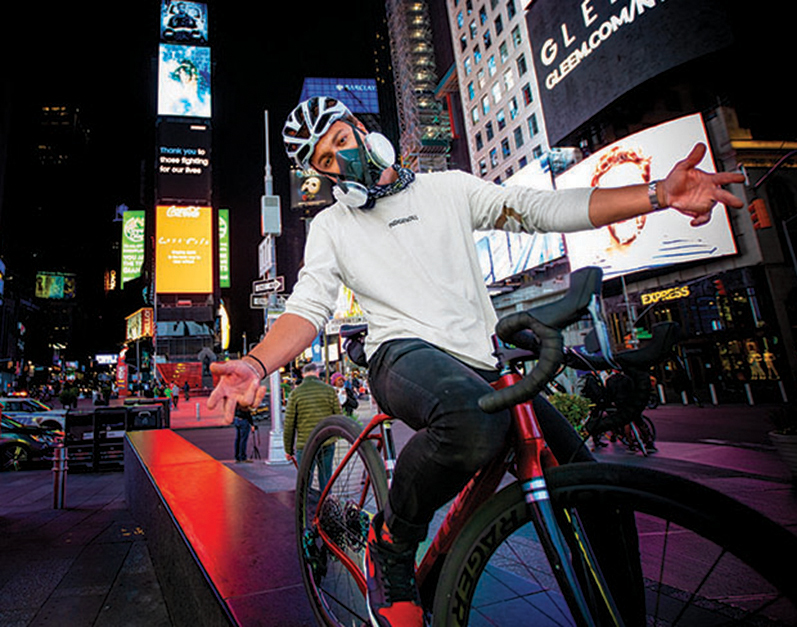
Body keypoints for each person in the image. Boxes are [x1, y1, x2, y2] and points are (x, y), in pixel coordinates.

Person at [208, 96, 745, 626]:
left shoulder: (449, 188)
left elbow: (539, 210)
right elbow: (308, 307)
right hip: (401, 355)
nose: (340, 161)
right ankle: (392, 542)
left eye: (341, 141)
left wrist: (656, 193)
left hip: (480, 360)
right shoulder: (333, 226)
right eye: (325, 161)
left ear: (360, 128)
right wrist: (255, 365)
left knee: (597, 492)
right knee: (472, 422)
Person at [284, 363, 342, 488]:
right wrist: (336, 436)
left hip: (305, 444)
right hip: (326, 441)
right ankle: (326, 505)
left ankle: (305, 505)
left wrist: (288, 449)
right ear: (317, 373)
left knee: (305, 480)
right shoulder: (329, 390)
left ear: (303, 375)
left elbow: (289, 423)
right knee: (326, 478)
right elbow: (338, 416)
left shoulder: (295, 393)